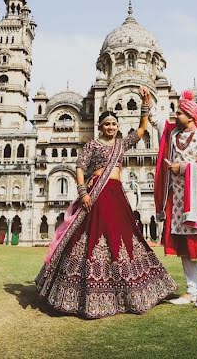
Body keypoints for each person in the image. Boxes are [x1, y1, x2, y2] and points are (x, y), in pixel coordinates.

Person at [36, 86, 176, 318]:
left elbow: (142, 130)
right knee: (90, 237)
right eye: (107, 124)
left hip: (116, 194)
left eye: (114, 124)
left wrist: (145, 105)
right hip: (97, 194)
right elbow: (79, 168)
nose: (110, 127)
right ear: (100, 126)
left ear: (118, 126)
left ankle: (129, 292)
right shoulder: (92, 145)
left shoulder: (121, 144)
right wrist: (83, 193)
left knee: (124, 237)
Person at [151, 90, 197, 309]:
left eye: (180, 112)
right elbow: (158, 124)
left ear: (191, 117)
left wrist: (183, 168)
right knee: (185, 248)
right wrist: (148, 104)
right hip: (177, 201)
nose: (176, 115)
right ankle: (192, 292)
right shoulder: (174, 135)